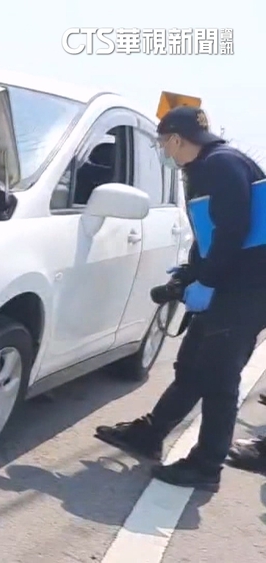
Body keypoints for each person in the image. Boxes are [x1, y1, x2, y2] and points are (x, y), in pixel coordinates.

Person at [94, 106, 266, 492]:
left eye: (163, 143)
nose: (164, 152)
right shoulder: (213, 164)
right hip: (230, 283)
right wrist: (192, 274)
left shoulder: (219, 166)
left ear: (175, 138)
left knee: (220, 378)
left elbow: (233, 229)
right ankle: (151, 434)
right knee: (191, 366)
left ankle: (206, 468)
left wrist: (207, 281)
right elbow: (213, 232)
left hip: (246, 291)